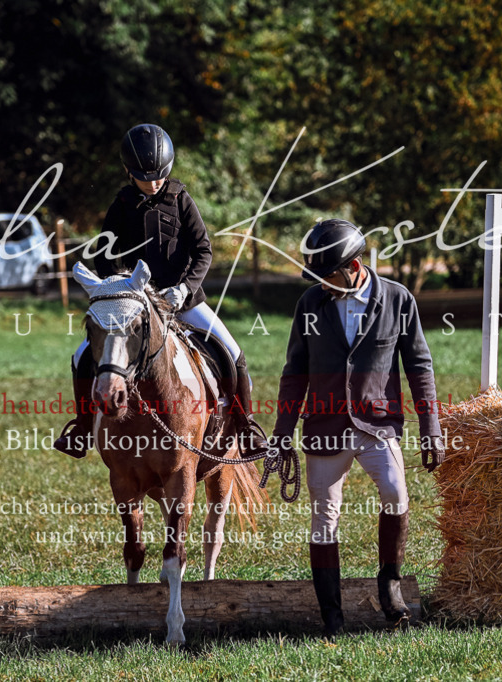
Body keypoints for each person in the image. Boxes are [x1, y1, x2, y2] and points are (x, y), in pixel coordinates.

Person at [269, 218, 445, 636]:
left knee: (396, 494)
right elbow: (295, 371)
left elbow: (419, 363)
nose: (320, 284)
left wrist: (430, 424)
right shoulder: (310, 304)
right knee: (324, 518)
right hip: (325, 427)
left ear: (353, 266)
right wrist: (281, 432)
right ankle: (332, 617)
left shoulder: (399, 300)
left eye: (326, 275)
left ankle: (390, 585)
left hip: (377, 423)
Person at [53, 123, 267, 458]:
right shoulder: (121, 205)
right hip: (136, 307)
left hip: (183, 301)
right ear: (127, 171)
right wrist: (120, 292)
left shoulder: (181, 199)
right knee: (81, 356)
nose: (153, 183)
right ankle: (81, 428)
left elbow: (203, 251)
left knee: (233, 352)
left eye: (159, 175)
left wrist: (185, 288)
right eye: (144, 176)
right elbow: (105, 256)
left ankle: (246, 425)